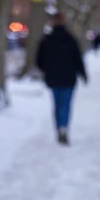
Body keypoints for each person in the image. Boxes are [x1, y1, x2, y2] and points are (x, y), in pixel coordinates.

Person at [35, 12, 88, 145]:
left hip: (53, 77)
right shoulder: (70, 39)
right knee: (66, 104)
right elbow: (77, 59)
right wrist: (83, 74)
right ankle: (64, 127)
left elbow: (39, 61)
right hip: (68, 77)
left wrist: (47, 70)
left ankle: (59, 127)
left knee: (57, 104)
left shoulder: (46, 40)